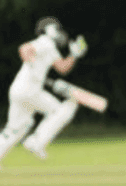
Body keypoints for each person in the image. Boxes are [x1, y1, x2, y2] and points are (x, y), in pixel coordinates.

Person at [0, 17, 87, 165]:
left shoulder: (50, 48)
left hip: (18, 90)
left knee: (17, 128)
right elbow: (24, 49)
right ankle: (36, 142)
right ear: (50, 30)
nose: (60, 34)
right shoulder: (45, 42)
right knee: (62, 110)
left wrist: (73, 55)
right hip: (29, 90)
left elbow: (62, 68)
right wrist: (33, 67)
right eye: (57, 30)